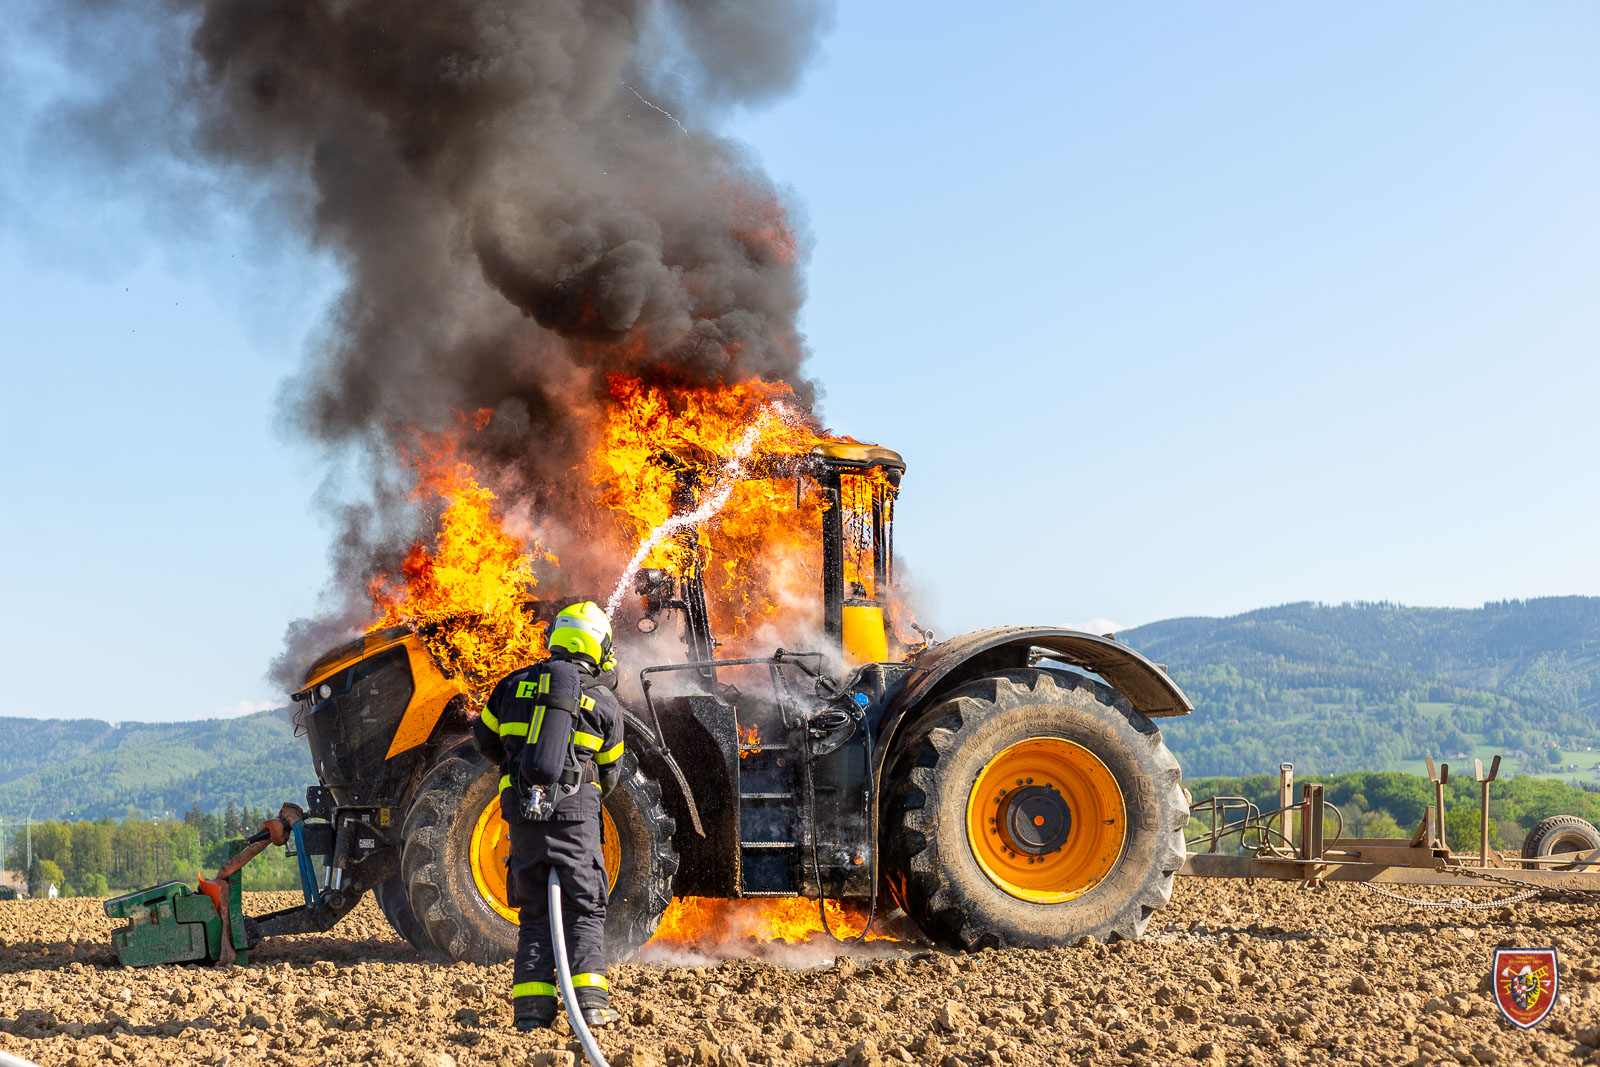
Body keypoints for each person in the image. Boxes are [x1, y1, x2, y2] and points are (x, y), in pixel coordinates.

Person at [473, 601, 626, 1032]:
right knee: (584, 907)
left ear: (555, 638)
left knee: (536, 914)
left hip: (523, 818)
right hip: (575, 822)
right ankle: (591, 1004)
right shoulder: (602, 700)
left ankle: (531, 1012)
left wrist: (519, 768)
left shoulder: (511, 685)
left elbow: (483, 740)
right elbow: (612, 773)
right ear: (598, 646)